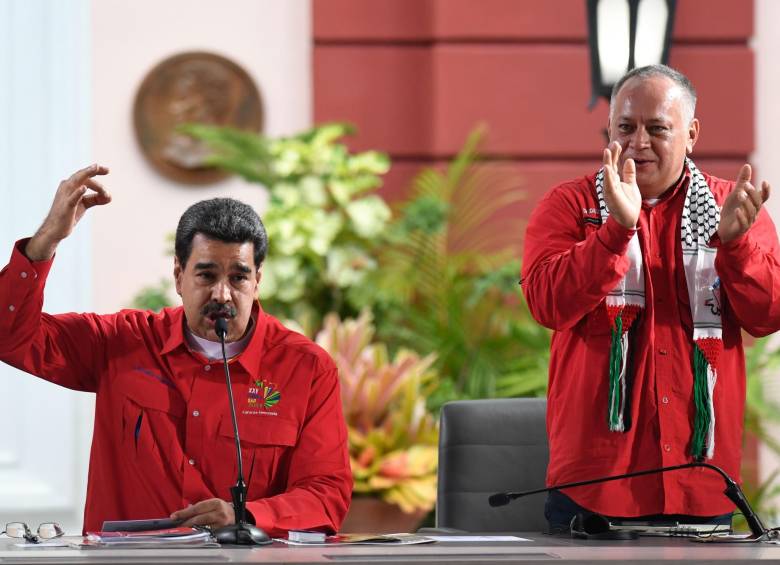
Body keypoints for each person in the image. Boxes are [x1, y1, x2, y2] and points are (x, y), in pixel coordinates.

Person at [0, 167, 352, 537]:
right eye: (206, 275)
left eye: (238, 277)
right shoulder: (119, 342)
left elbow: (326, 494)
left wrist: (245, 515)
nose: (222, 294)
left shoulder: (306, 368)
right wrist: (46, 242)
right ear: (178, 276)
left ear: (258, 281)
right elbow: (9, 337)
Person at [521, 64, 780, 532]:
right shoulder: (570, 205)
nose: (639, 142)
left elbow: (768, 315)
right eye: (626, 127)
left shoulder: (731, 209)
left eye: (657, 128)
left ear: (692, 134)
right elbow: (546, 304)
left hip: (700, 481)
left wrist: (736, 247)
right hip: (594, 487)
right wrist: (614, 233)